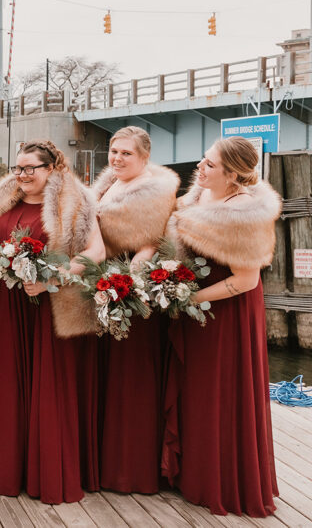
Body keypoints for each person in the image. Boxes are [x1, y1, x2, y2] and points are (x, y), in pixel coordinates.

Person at [162, 137, 280, 517]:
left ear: (233, 175)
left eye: (210, 165)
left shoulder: (244, 211)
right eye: (203, 160)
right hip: (199, 309)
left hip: (225, 314)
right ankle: (194, 471)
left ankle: (222, 479)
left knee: (220, 392)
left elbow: (245, 280)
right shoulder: (200, 198)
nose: (200, 167)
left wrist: (187, 300)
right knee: (198, 390)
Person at [0, 140, 105, 504]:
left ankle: (47, 474)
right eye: (17, 168)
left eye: (29, 169)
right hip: (11, 308)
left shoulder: (74, 203)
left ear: (50, 169)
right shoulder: (4, 204)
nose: (20, 175)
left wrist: (55, 276)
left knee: (49, 386)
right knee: (10, 382)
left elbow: (96, 251)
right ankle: (9, 470)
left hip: (52, 306)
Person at [90, 127, 179, 494]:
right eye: (113, 151)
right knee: (106, 377)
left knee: (131, 381)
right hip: (101, 286)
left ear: (145, 157)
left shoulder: (154, 190)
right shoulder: (109, 185)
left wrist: (122, 287)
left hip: (129, 294)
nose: (117, 159)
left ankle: (131, 468)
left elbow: (149, 244)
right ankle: (103, 460)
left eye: (127, 153)